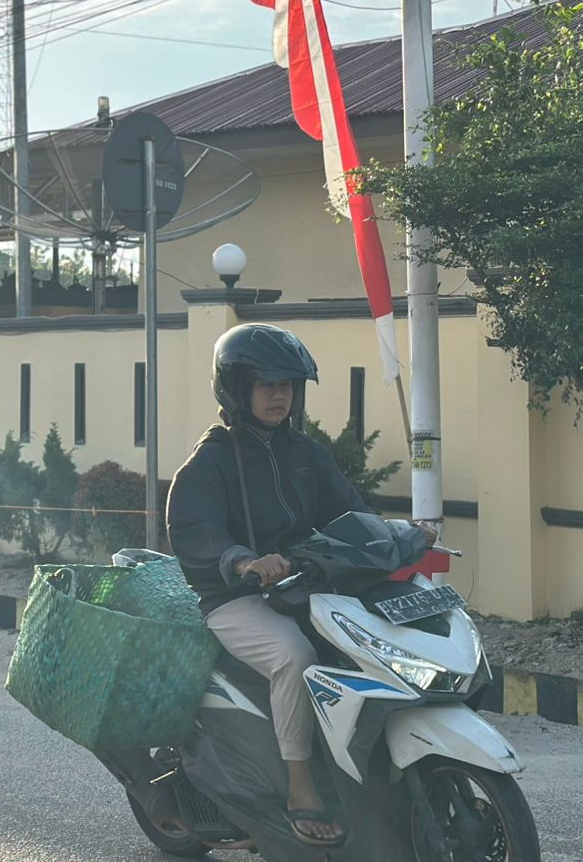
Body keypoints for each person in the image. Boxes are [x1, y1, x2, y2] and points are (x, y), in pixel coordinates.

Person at [167, 323, 429, 847]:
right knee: (295, 656)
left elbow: (350, 511)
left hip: (303, 587)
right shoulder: (211, 460)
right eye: (266, 384)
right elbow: (194, 529)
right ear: (236, 389)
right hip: (235, 598)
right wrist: (243, 560)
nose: (279, 395)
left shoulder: (304, 453)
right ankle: (301, 787)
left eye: (287, 384)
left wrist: (399, 536)